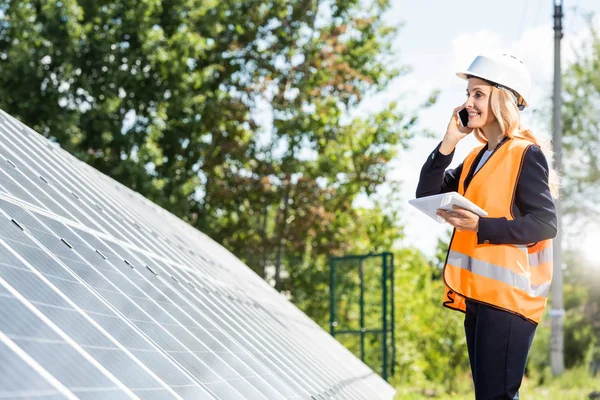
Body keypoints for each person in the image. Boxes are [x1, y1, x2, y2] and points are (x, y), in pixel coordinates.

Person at [415, 53, 558, 399]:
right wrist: (449, 142)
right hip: (480, 297)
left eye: (477, 94)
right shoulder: (475, 158)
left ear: (502, 97)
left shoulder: (526, 154)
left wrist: (481, 226)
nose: (467, 103)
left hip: (509, 300)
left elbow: (545, 223)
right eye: (468, 94)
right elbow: (426, 194)